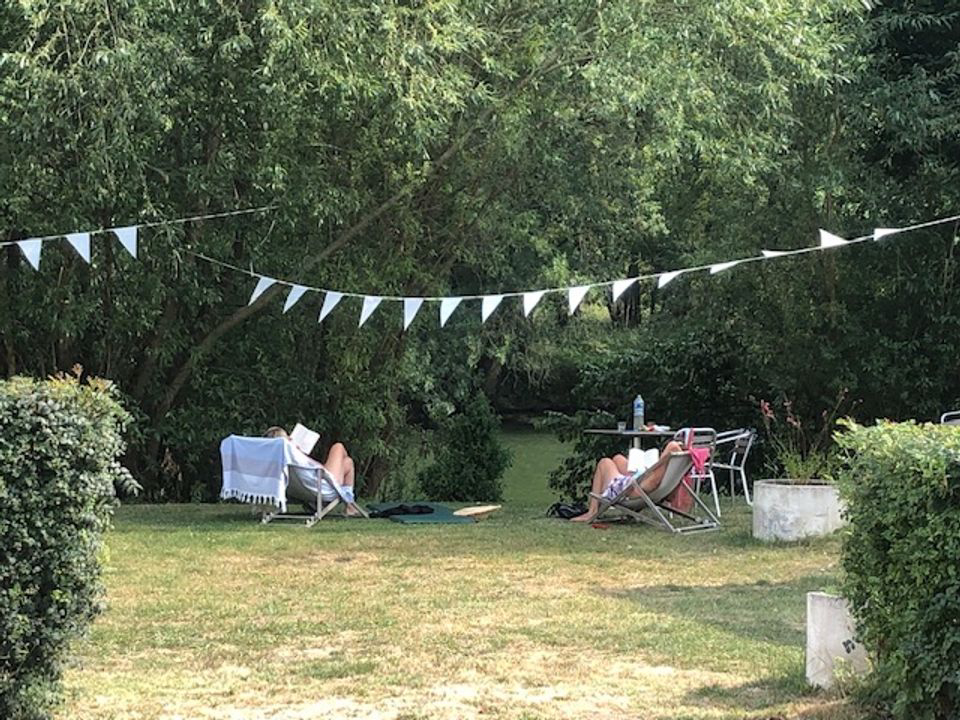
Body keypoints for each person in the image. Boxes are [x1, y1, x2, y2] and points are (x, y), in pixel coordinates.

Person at [570, 440, 684, 522]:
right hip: (637, 483)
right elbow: (670, 497)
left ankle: (592, 512)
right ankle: (592, 510)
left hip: (631, 490)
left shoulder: (654, 477)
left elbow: (673, 447)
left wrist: (671, 448)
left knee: (604, 462)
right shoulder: (668, 471)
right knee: (618, 458)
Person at [263, 426, 357, 509]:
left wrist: (300, 454)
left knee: (348, 462)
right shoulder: (290, 454)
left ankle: (350, 507)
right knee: (338, 447)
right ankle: (349, 504)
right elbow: (314, 467)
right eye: (288, 437)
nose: (291, 438)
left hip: (309, 488)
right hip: (323, 488)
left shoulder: (279, 460)